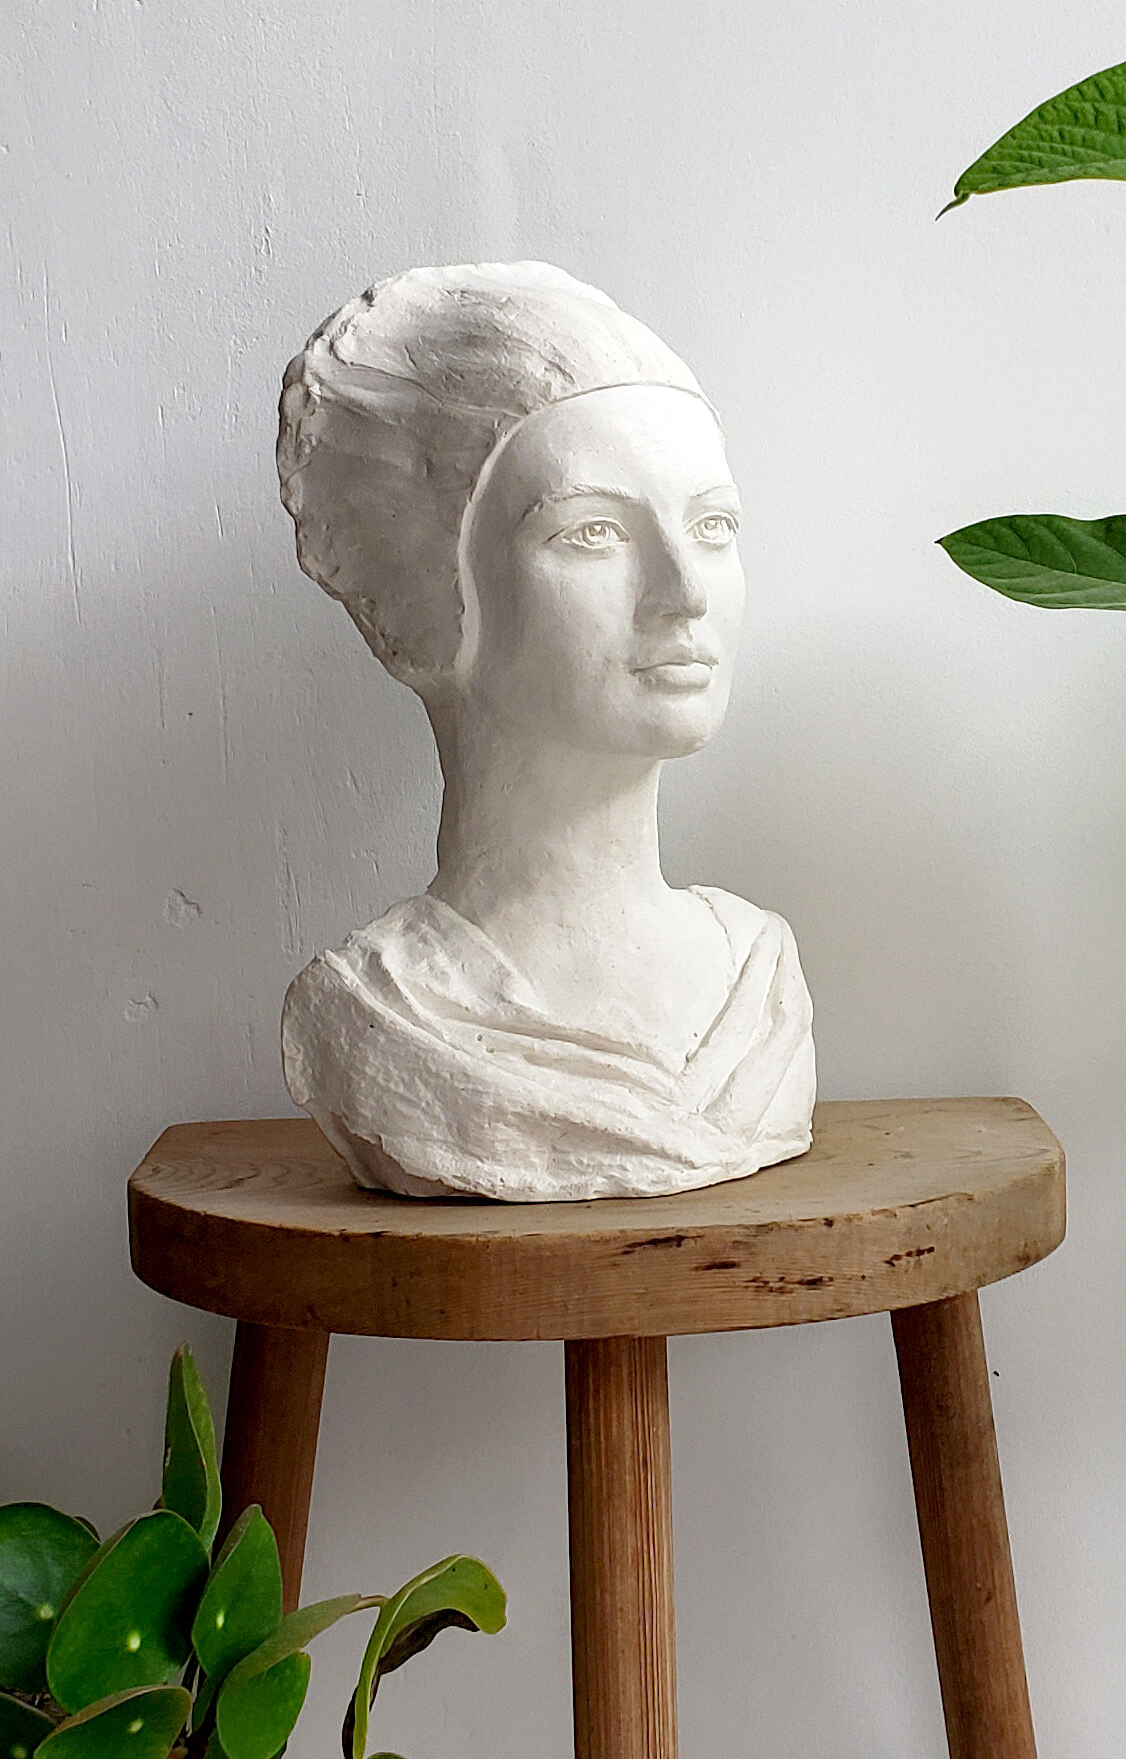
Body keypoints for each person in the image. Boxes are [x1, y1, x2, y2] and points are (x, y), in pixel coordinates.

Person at [276, 261, 815, 1200]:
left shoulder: (755, 982)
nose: (685, 592)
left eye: (714, 525)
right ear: (436, 596)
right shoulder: (386, 1018)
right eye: (593, 533)